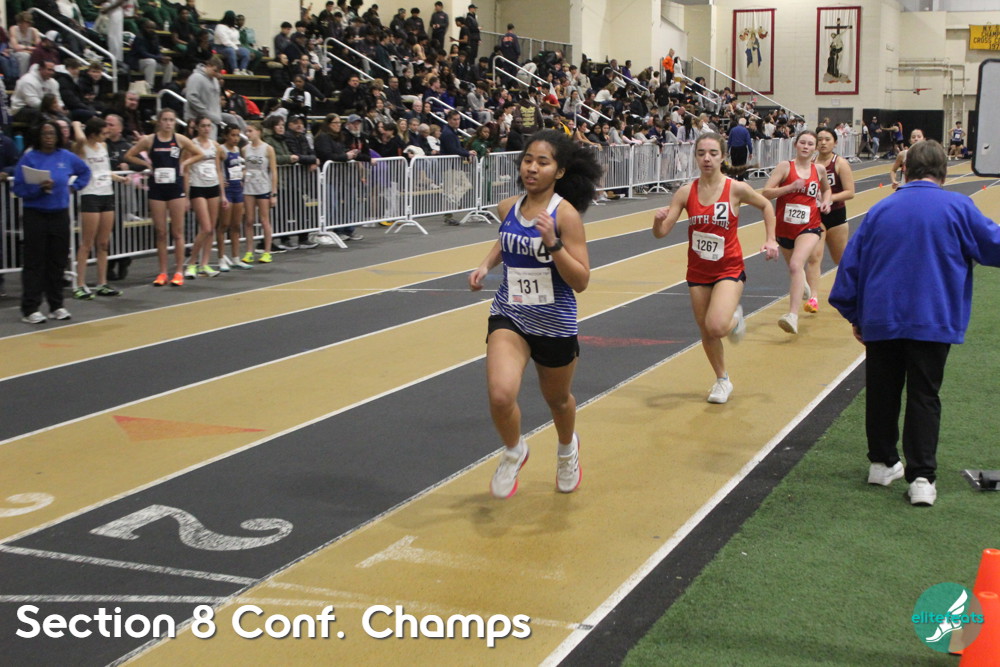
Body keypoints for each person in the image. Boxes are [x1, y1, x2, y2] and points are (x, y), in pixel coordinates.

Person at [829, 140, 1000, 506]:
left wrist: (856, 316)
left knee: (882, 391)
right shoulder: (959, 207)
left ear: (905, 170)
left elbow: (850, 269)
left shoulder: (880, 209)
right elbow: (994, 246)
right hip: (933, 317)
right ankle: (922, 478)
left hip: (881, 317)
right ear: (944, 171)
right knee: (924, 395)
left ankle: (882, 463)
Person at [468, 129, 602, 498]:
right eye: (528, 159)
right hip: (511, 313)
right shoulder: (508, 207)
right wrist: (485, 265)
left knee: (558, 400)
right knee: (500, 395)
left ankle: (567, 449)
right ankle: (514, 450)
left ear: (559, 171)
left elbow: (581, 280)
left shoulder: (565, 216)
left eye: (542, 162)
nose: (532, 168)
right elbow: (507, 238)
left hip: (554, 322)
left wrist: (554, 244)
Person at [651, 132, 778, 403]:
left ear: (723, 157)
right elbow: (661, 233)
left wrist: (771, 239)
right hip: (698, 271)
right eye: (701, 153)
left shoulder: (735, 188)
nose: (706, 158)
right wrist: (657, 221)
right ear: (695, 157)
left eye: (712, 153)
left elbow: (767, 205)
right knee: (706, 330)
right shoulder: (686, 192)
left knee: (717, 326)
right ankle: (722, 380)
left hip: (728, 268)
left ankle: (735, 319)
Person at [13, 120, 91, 324]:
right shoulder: (29, 158)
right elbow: (18, 188)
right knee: (34, 262)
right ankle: (30, 308)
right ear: (38, 137)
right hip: (35, 214)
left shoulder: (66, 156)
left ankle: (56, 305)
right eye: (45, 133)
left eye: (52, 134)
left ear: (58, 137)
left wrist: (74, 187)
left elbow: (85, 171)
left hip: (59, 214)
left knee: (57, 261)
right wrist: (38, 188)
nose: (48, 137)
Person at [762, 130, 831, 335]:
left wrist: (826, 201)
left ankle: (792, 315)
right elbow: (766, 192)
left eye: (810, 144)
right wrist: (790, 187)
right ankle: (804, 286)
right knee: (795, 269)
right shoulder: (785, 167)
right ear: (795, 145)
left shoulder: (819, 170)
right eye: (803, 143)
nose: (806, 147)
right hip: (785, 227)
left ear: (815, 148)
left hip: (810, 225)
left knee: (796, 264)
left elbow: (826, 189)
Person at [125, 108, 198, 286]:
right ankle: (163, 272)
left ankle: (179, 271)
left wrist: (184, 163)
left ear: (175, 122)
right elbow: (129, 155)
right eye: (165, 119)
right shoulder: (150, 140)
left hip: (175, 189)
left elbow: (199, 153)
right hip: (157, 189)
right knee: (161, 232)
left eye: (171, 120)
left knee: (178, 232)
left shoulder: (180, 139)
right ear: (159, 121)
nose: (168, 123)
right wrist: (146, 164)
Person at [803, 126, 855, 313]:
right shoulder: (809, 163)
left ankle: (853, 290)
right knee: (814, 257)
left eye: (827, 139)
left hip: (836, 215)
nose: (823, 143)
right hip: (815, 216)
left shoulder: (839, 163)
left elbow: (850, 192)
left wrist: (829, 198)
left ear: (835, 143)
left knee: (840, 259)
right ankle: (813, 298)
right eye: (820, 139)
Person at [71, 117, 124, 300]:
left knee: (103, 243)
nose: (106, 135)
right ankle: (80, 284)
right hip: (90, 195)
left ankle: (102, 283)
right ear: (93, 134)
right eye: (103, 132)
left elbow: (103, 170)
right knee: (87, 243)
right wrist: (76, 124)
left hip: (106, 194)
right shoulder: (81, 147)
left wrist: (118, 178)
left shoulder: (103, 146)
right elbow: (80, 138)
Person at [182, 115, 227, 279]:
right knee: (205, 227)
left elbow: (218, 170)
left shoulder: (215, 146)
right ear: (197, 128)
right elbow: (186, 171)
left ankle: (204, 264)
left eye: (209, 126)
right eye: (203, 126)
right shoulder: (191, 145)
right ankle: (192, 263)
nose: (206, 129)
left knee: (211, 228)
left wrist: (223, 194)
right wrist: (186, 196)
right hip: (197, 187)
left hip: (213, 186)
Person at [241, 122, 278, 264]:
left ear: (258, 132)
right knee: (249, 220)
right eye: (246, 131)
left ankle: (267, 251)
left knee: (264, 220)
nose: (248, 134)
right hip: (249, 187)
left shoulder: (268, 149)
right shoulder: (245, 149)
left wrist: (273, 193)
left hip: (263, 187)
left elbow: (273, 171)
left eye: (250, 131)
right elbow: (245, 167)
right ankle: (249, 251)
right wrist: (242, 175)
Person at [218, 124, 253, 270]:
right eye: (233, 135)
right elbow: (218, 168)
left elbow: (241, 167)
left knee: (236, 225)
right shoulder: (221, 149)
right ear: (226, 136)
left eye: (238, 135)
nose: (236, 138)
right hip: (227, 190)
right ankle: (221, 258)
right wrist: (221, 184)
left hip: (237, 189)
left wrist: (242, 175)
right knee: (224, 225)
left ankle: (236, 257)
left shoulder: (238, 150)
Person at [727, 116, 753, 180]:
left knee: (734, 164)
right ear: (745, 124)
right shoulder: (745, 131)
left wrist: (727, 150)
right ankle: (740, 180)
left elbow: (729, 141)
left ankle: (733, 179)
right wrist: (750, 152)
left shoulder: (733, 130)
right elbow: (749, 142)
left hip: (734, 149)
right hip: (742, 149)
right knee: (742, 165)